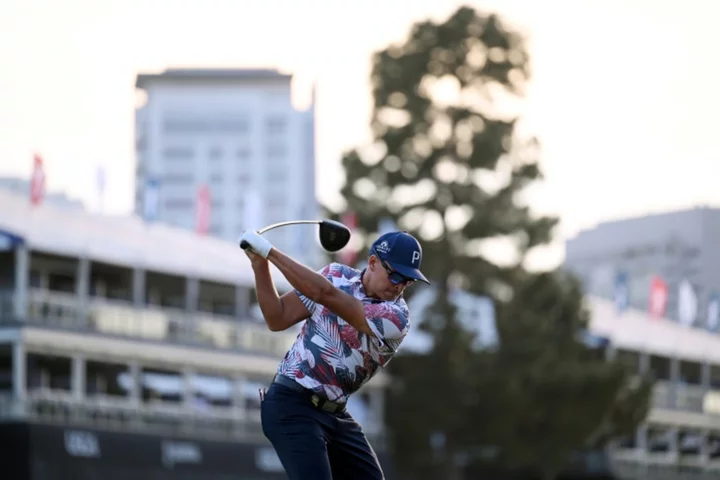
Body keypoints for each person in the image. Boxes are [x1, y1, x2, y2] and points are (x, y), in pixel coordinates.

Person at [238, 228, 429, 480]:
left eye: (408, 280)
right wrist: (260, 265)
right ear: (372, 262)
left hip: (335, 414)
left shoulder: (397, 317)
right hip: (290, 404)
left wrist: (270, 252)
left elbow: (324, 294)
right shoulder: (335, 275)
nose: (400, 286)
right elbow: (278, 317)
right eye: (396, 276)